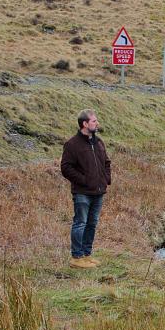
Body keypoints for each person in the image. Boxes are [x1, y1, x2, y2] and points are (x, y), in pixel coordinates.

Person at [60, 109, 111, 269]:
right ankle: (76, 258)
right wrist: (84, 181)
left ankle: (87, 255)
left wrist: (106, 179)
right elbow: (66, 168)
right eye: (94, 121)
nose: (97, 123)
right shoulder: (72, 144)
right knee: (80, 223)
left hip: (99, 191)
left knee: (92, 223)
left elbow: (107, 162)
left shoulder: (99, 142)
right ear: (85, 124)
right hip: (82, 192)